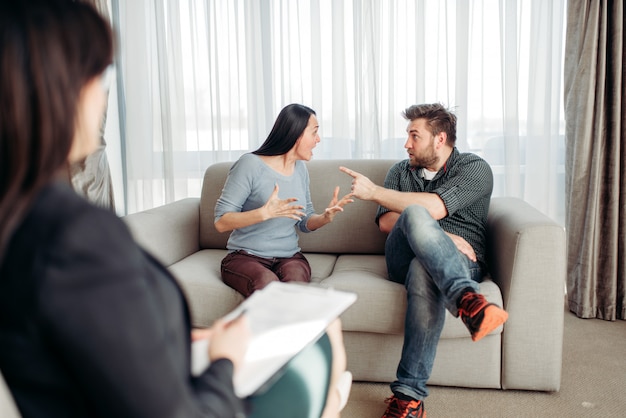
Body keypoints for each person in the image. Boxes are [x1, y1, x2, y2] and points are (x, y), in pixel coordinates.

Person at [0, 1, 346, 417]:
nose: (103, 96)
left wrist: (195, 344)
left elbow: (102, 355)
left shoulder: (23, 221)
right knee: (329, 339)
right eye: (101, 74)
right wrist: (225, 360)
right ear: (59, 87)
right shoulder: (74, 236)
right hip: (207, 393)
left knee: (309, 310)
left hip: (165, 376)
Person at [340, 103, 509, 418]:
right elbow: (387, 222)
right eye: (408, 135)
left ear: (440, 139)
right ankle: (467, 299)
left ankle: (408, 399)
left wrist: (377, 193)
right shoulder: (399, 171)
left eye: (414, 136)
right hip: (402, 257)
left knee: (424, 267)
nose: (406, 144)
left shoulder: (474, 168)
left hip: (462, 260)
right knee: (415, 214)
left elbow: (437, 207)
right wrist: (442, 234)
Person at [214, 103, 353, 297]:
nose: (318, 139)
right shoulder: (250, 165)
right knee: (268, 284)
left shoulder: (300, 169)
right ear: (296, 134)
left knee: (295, 286)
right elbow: (221, 222)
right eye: (314, 133)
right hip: (245, 257)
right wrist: (264, 213)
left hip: (289, 257)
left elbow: (304, 221)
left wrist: (324, 218)